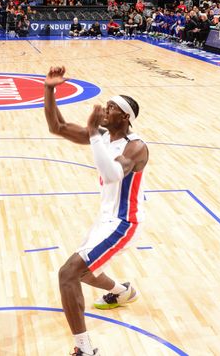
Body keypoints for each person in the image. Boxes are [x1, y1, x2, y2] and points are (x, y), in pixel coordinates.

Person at [43, 66, 148, 356]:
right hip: (106, 219)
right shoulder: (103, 135)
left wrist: (91, 134)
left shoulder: (136, 146)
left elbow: (114, 174)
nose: (104, 109)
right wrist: (49, 89)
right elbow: (58, 127)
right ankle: (122, 291)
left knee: (68, 273)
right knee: (84, 273)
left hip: (124, 222)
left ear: (124, 117)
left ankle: (85, 349)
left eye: (111, 107)